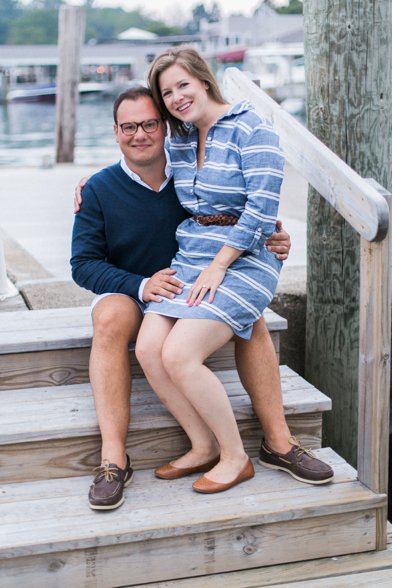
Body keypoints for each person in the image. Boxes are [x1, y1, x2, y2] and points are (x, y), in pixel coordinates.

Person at [72, 85, 333, 510]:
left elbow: (240, 211)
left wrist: (275, 236)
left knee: (250, 316)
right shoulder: (99, 188)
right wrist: (141, 285)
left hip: (194, 283)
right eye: (129, 126)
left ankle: (278, 441)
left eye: (150, 124)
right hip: (131, 286)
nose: (140, 134)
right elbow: (82, 264)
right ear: (115, 131)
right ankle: (113, 460)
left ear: (165, 127)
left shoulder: (191, 177)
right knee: (110, 321)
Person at [127, 45, 302, 495]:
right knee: (149, 347)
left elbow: (262, 211)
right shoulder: (181, 139)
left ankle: (235, 455)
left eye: (183, 84)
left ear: (204, 80)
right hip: (192, 255)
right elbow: (142, 161)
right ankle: (202, 444)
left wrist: (220, 266)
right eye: (167, 93)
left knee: (179, 355)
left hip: (245, 259)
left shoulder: (253, 130)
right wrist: (92, 182)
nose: (177, 97)